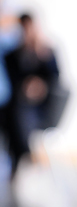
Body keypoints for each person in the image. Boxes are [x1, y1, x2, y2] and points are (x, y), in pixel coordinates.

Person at [4, 13, 60, 178]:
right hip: (20, 106)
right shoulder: (12, 56)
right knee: (14, 113)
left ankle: (22, 159)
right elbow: (13, 83)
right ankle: (25, 157)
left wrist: (40, 86)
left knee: (16, 116)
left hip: (43, 109)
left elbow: (56, 81)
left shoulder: (47, 53)